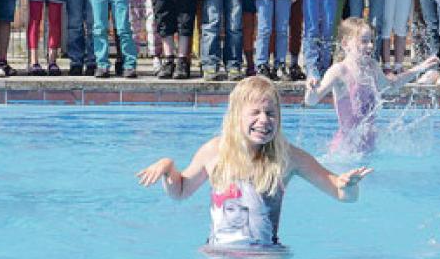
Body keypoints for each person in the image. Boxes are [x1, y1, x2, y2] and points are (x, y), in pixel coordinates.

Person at [136, 75, 373, 248]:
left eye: (271, 114)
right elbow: (180, 192)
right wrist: (168, 168)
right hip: (218, 250)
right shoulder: (214, 152)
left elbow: (343, 196)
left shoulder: (288, 157)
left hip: (265, 253)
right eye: (255, 113)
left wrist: (348, 187)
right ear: (236, 116)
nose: (264, 120)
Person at [304, 17, 439, 153]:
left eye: (371, 41)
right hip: (345, 151)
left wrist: (419, 68)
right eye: (364, 41)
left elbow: (391, 86)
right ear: (345, 44)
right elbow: (311, 101)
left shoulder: (372, 67)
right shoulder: (339, 71)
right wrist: (311, 90)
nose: (370, 46)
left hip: (369, 148)